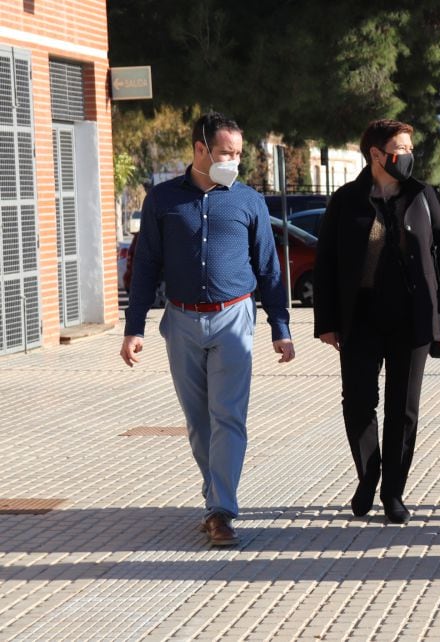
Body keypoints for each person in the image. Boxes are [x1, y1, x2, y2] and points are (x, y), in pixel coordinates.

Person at [121, 111, 296, 547]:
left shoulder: (248, 201)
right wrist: (134, 326)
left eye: (238, 154)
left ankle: (222, 510)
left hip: (234, 317)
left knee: (228, 418)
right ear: (200, 149)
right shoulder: (162, 201)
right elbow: (145, 265)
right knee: (199, 424)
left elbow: (270, 268)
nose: (233, 161)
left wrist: (281, 326)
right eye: (225, 153)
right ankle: (214, 498)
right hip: (180, 321)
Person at [314, 119, 440, 525]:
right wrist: (326, 321)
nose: (408, 155)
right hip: (360, 317)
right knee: (359, 401)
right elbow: (325, 263)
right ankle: (369, 474)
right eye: (400, 148)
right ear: (376, 155)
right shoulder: (346, 200)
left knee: (404, 407)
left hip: (413, 318)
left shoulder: (423, 196)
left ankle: (393, 491)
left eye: (410, 147)